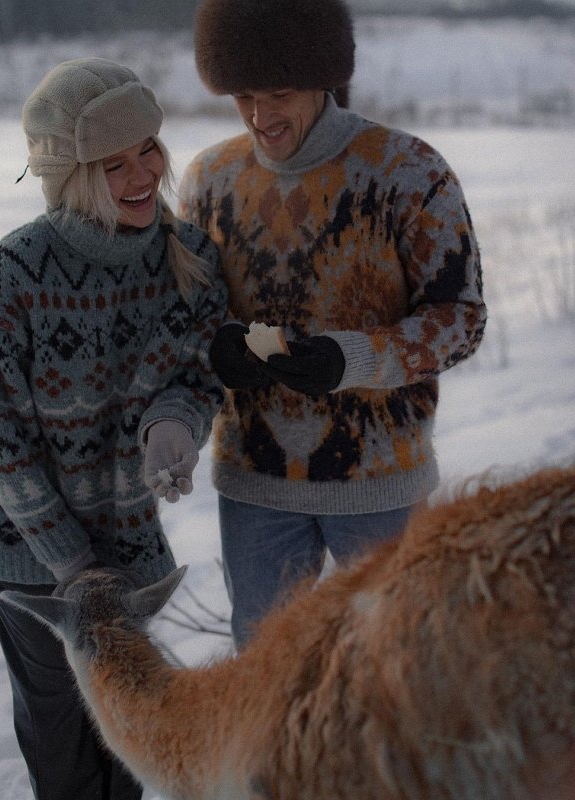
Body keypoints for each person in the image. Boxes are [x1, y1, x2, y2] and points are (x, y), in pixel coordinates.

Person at [0, 58, 227, 800]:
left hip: (123, 526)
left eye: (149, 150)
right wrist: (70, 562)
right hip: (21, 539)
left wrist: (174, 425)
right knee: (62, 725)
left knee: (129, 715)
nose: (141, 176)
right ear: (69, 174)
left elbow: (202, 374)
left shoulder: (190, 259)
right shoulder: (16, 274)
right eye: (113, 162)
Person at [178, 0, 487, 647]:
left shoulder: (408, 171)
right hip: (253, 484)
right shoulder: (208, 178)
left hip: (380, 486)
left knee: (398, 667)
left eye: (280, 94)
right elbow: (188, 315)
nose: (261, 117)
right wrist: (215, 349)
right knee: (265, 680)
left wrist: (353, 360)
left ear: (322, 76)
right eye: (244, 96)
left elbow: (459, 319)